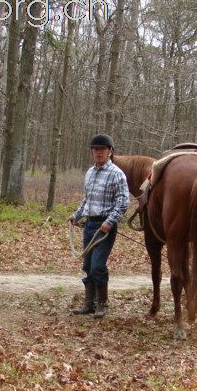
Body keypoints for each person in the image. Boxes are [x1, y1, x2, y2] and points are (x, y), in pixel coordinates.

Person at [68, 134, 130, 318]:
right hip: (90, 224)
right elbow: (87, 199)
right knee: (87, 265)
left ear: (110, 151)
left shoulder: (117, 174)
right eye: (95, 149)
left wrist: (109, 222)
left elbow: (123, 203)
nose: (98, 152)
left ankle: (102, 303)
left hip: (105, 228)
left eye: (102, 149)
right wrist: (76, 215)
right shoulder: (90, 173)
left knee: (97, 266)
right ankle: (89, 303)